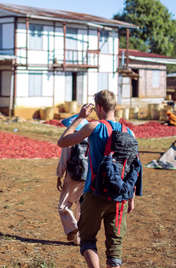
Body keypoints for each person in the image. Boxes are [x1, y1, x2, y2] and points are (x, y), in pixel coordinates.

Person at [58, 90, 140, 268]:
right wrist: (131, 197)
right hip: (120, 198)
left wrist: (80, 117)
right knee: (115, 249)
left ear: (100, 107)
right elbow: (134, 168)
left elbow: (63, 141)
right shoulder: (130, 133)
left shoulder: (94, 127)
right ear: (114, 107)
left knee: (87, 241)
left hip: (95, 195)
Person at [56, 118, 89, 245]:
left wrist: (59, 176)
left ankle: (73, 228)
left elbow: (64, 160)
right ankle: (78, 239)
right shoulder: (90, 138)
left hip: (72, 177)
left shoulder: (70, 139)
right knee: (80, 208)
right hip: (87, 178)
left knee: (63, 206)